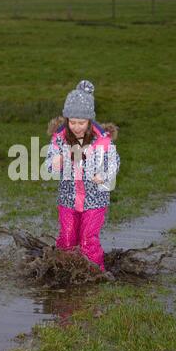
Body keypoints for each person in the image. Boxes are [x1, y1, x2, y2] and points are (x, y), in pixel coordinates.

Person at [45, 80, 120, 273]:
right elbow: (49, 166)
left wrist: (103, 175)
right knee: (68, 237)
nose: (76, 127)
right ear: (67, 120)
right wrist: (56, 162)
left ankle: (95, 273)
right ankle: (66, 271)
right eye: (72, 122)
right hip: (68, 199)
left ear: (89, 122)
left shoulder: (102, 142)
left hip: (95, 200)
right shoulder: (59, 140)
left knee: (88, 239)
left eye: (81, 122)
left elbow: (114, 163)